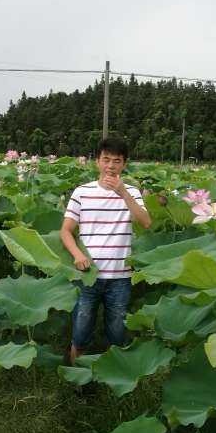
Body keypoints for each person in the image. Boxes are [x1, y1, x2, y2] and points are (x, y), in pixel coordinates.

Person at [60, 136, 151, 365]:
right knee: (80, 332)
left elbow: (146, 222)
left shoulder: (132, 192)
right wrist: (77, 255)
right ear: (97, 162)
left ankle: (112, 378)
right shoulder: (82, 192)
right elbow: (65, 231)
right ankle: (76, 378)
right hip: (87, 274)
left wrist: (124, 194)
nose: (111, 165)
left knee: (117, 334)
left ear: (124, 164)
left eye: (117, 161)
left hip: (120, 276)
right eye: (106, 159)